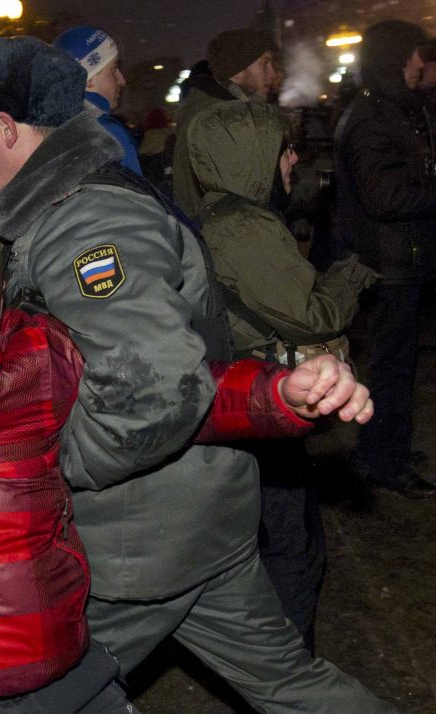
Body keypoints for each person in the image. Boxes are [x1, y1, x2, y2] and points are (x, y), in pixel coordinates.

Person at [0, 34, 396, 712]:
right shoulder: (61, 210)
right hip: (189, 518)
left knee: (22, 698)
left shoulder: (86, 223)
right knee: (290, 686)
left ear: (7, 128)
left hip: (138, 546)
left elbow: (153, 397)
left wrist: (39, 462)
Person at [0, 208, 383, 713]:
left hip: (59, 685)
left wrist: (281, 394)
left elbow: (165, 396)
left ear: (2, 307)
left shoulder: (38, 361)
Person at [189, 99, 376, 650]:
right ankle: (289, 671)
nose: (293, 159)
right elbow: (308, 314)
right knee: (291, 548)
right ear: (253, 157)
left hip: (251, 394)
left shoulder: (230, 216)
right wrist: (352, 276)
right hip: (263, 393)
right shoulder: (245, 226)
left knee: (283, 539)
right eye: (283, 148)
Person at [334, 20, 436, 500]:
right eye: (419, 55)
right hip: (386, 267)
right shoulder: (372, 117)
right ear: (398, 58)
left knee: (396, 367)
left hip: (401, 262)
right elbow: (384, 196)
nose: (425, 64)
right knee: (389, 370)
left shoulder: (395, 110)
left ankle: (387, 448)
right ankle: (382, 461)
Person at [173, 28, 277, 217]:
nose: (272, 74)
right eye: (264, 64)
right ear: (237, 68)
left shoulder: (215, 110)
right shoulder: (221, 120)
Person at [54, 27, 141, 174]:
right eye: (114, 69)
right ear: (87, 80)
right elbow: (136, 195)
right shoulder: (108, 133)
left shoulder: (47, 130)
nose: (122, 80)